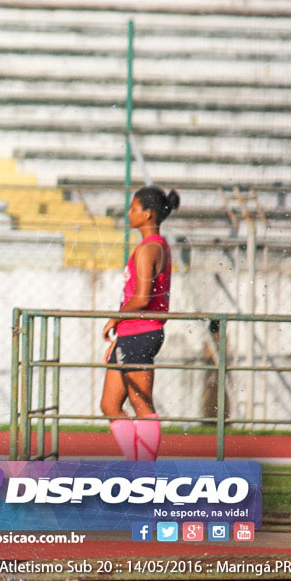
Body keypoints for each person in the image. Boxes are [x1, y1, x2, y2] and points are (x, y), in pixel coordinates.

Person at [100, 185, 179, 461]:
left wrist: (115, 318)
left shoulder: (150, 248)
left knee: (141, 403)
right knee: (110, 404)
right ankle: (136, 464)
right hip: (131, 331)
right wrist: (121, 327)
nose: (128, 212)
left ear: (147, 215)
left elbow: (142, 297)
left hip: (142, 331)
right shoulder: (152, 246)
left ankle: (144, 471)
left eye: (133, 208)